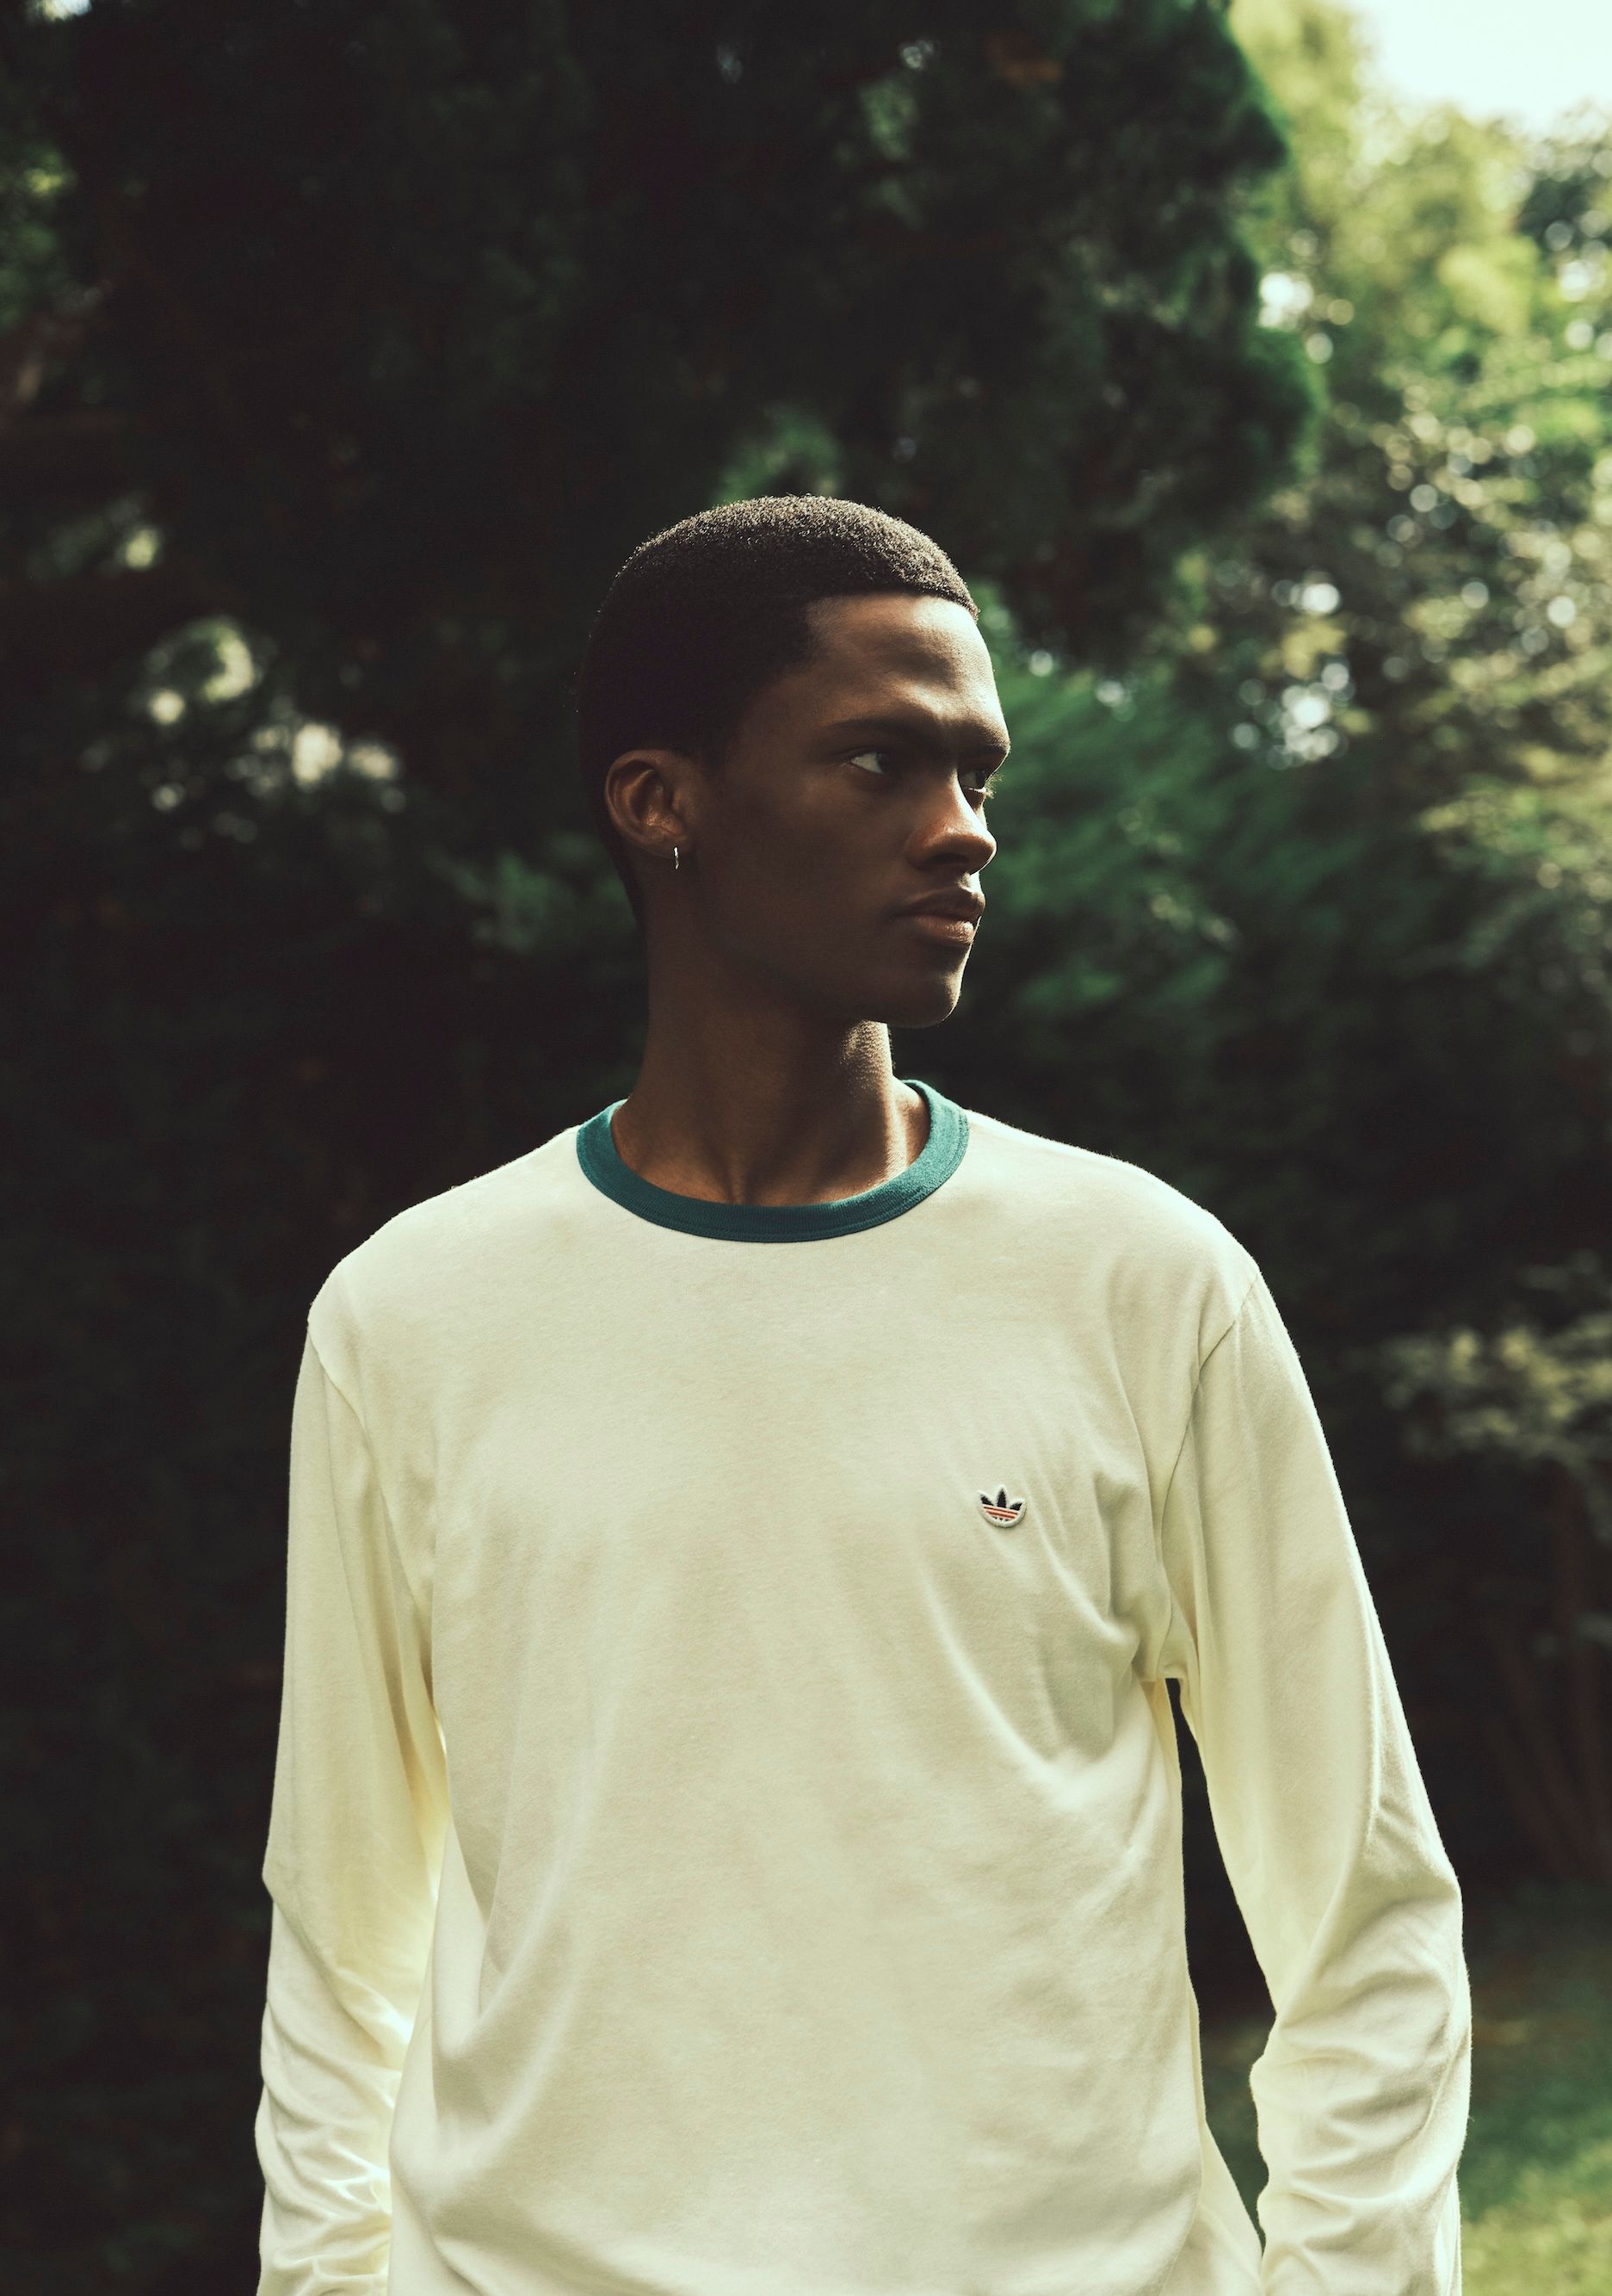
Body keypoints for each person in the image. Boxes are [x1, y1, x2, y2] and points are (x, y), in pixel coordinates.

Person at [253, 495, 1472, 2296]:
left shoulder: (1144, 1281)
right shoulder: (411, 1317)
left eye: (978, 771)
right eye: (882, 760)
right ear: (659, 799)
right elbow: (344, 1928)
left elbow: (1364, 1909)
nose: (964, 826)